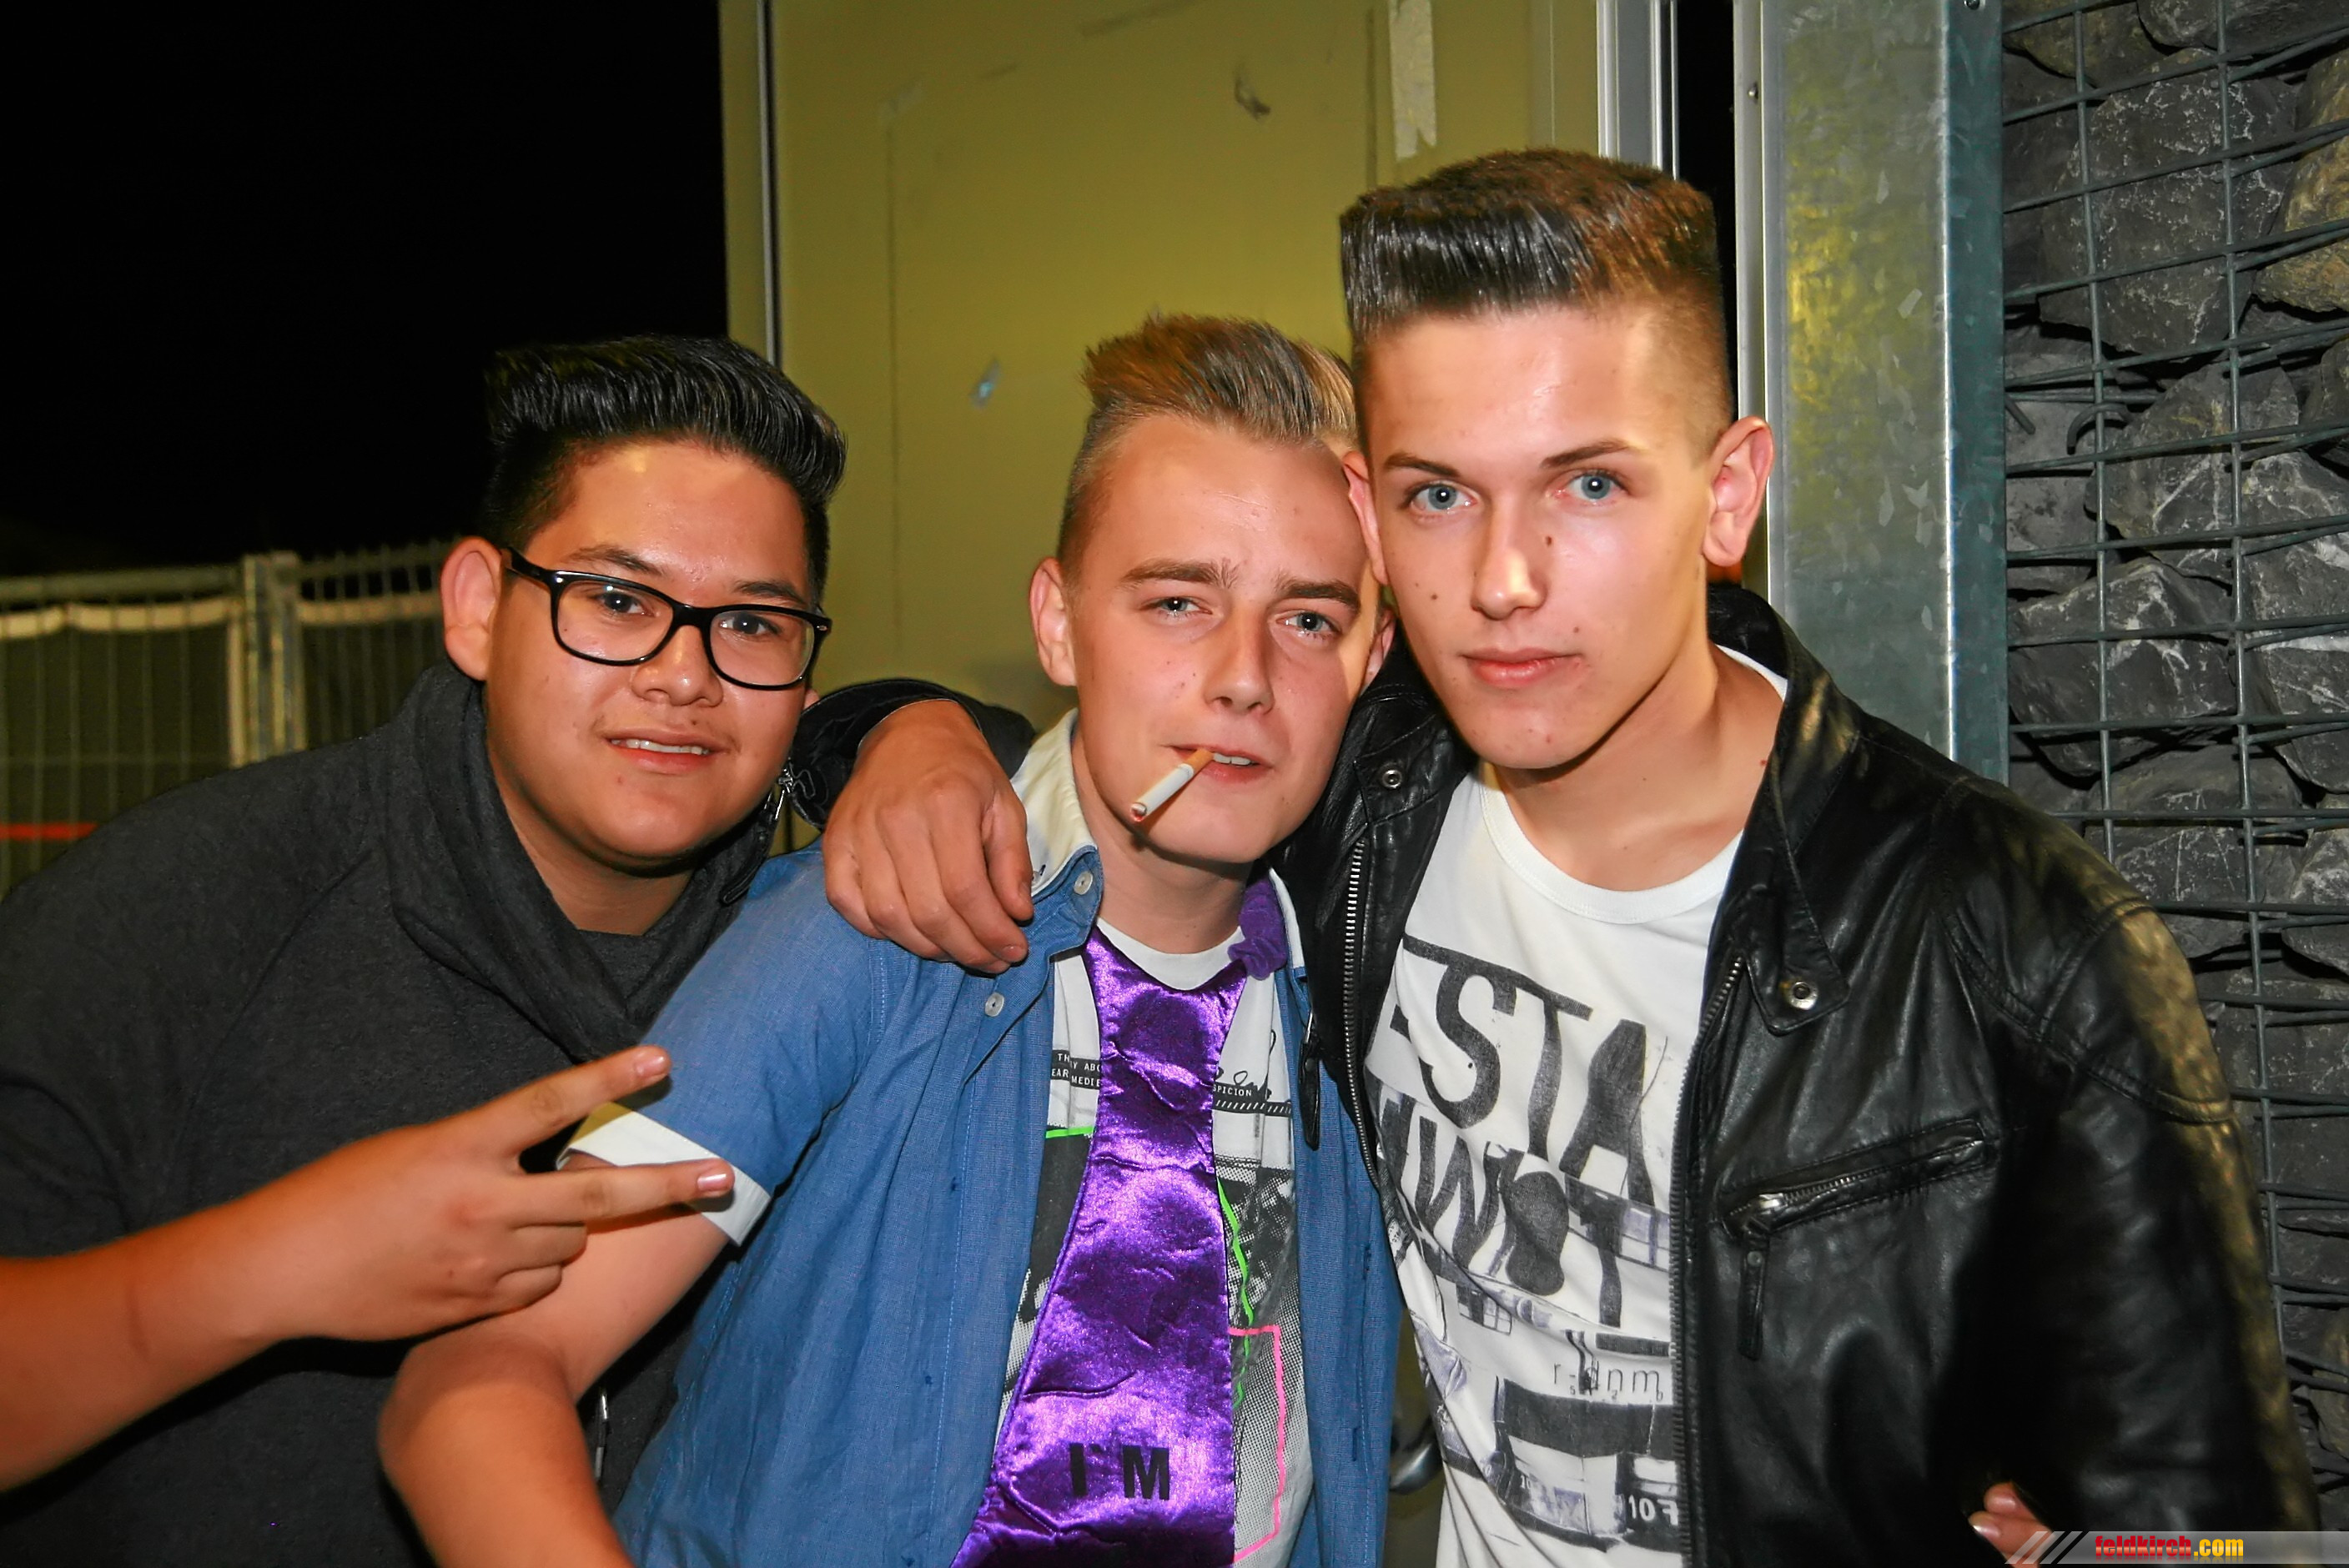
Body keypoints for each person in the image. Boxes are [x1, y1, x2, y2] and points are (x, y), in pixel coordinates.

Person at [815, 151, 2314, 1562]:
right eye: (1439, 494)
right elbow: (1122, 737)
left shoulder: (2021, 951)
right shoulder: (1365, 801)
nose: (1503, 581)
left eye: (1589, 485)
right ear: (1372, 516)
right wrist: (903, 733)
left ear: (1727, 493)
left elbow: (2212, 1522)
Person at [380, 315, 1403, 1568]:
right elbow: (480, 1377)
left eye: (1309, 620)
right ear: (1059, 622)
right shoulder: (866, 928)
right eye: (1178, 601)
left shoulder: (1368, 996)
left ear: (1373, 655)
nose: (1243, 677)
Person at [0, 335, 1021, 1565]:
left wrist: (926, 726)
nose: (683, 676)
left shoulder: (822, 948)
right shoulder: (175, 920)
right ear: (480, 608)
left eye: (752, 623)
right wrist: (268, 1265)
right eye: (617, 602)